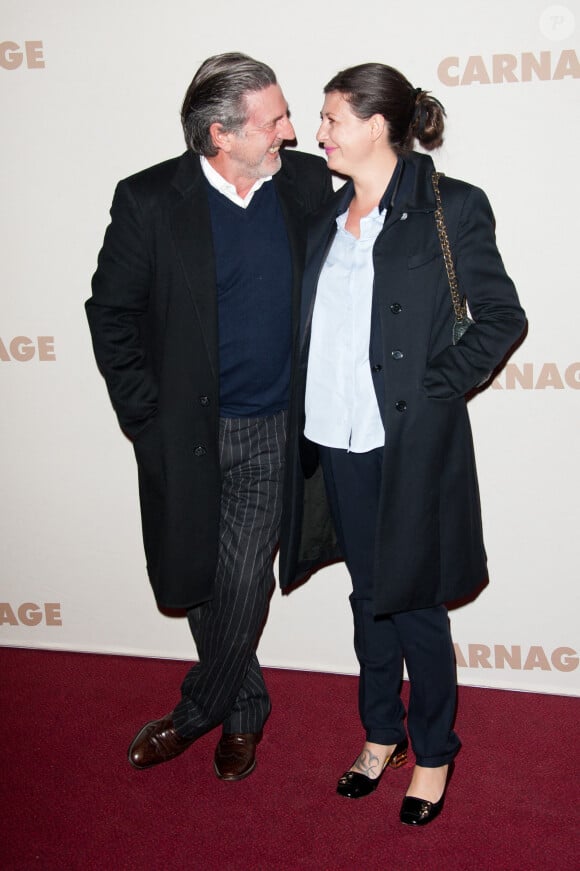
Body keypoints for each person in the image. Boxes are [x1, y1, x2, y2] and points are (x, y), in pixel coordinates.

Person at [279, 63, 525, 825]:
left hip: (407, 442)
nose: (319, 132)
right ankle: (380, 731)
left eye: (331, 118)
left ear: (379, 125)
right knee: (368, 597)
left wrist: (433, 388)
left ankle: (435, 748)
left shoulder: (452, 207)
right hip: (335, 437)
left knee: (415, 602)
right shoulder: (325, 215)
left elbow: (500, 317)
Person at [86, 52, 331, 781]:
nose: (291, 131)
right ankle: (246, 707)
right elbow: (112, 315)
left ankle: (195, 714)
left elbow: (381, 198)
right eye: (276, 119)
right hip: (185, 432)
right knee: (198, 576)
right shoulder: (149, 200)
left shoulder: (308, 186)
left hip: (270, 429)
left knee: (242, 577)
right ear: (222, 134)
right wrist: (146, 419)